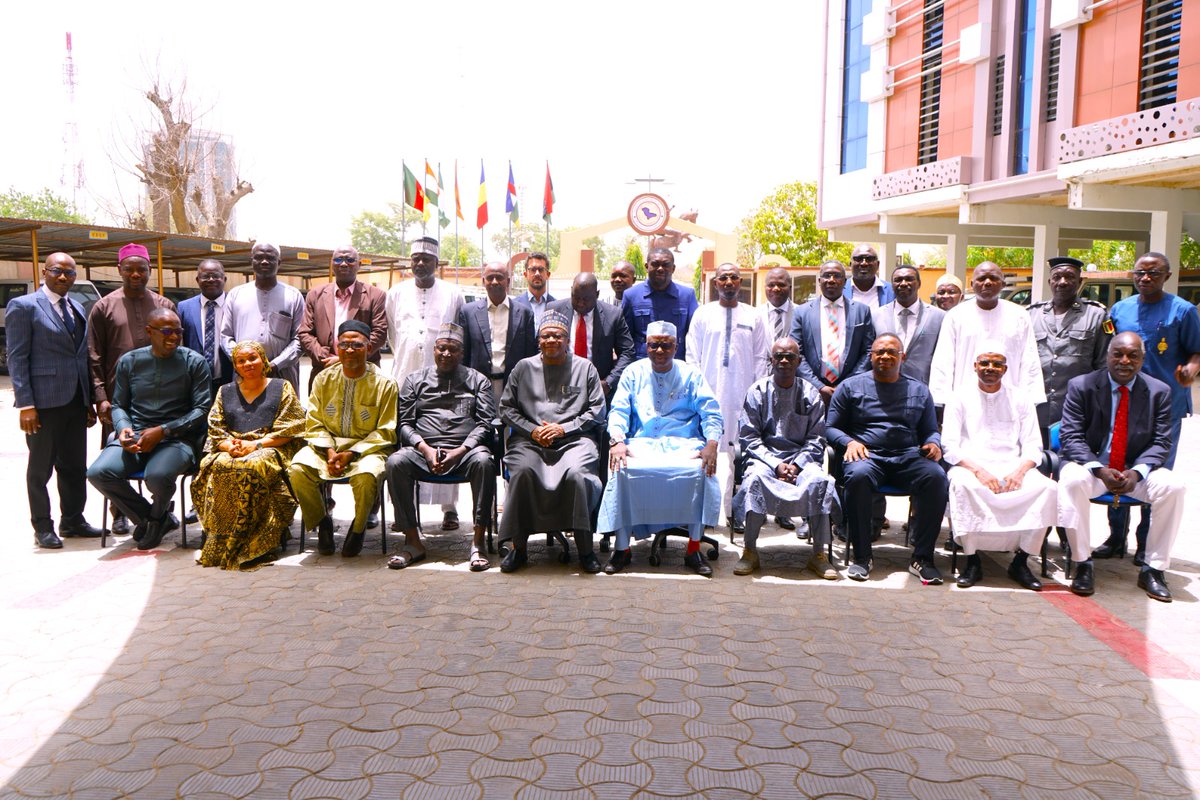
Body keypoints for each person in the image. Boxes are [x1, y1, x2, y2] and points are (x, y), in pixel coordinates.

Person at [1058, 332, 1185, 602]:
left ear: (1142, 359)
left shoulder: (1158, 391)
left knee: (1174, 487)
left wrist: (1137, 472)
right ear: (1107, 355)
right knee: (1070, 481)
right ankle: (1082, 562)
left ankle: (1154, 568)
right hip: (1092, 468)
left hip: (1134, 473)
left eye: (1132, 355)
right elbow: (1070, 437)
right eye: (1118, 354)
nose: (1124, 361)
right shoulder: (1082, 385)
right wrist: (1099, 469)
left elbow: (1162, 442)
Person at [598, 322, 723, 577]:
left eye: (666, 345)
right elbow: (618, 410)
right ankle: (622, 549)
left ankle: (693, 550)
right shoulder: (633, 372)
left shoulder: (691, 374)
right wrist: (617, 440)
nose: (659, 350)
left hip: (684, 445)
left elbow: (711, 411)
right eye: (653, 344)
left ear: (676, 347)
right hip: (641, 444)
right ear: (646, 345)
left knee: (700, 472)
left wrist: (711, 443)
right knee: (621, 470)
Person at [825, 334, 948, 585]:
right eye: (879, 352)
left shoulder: (918, 389)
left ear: (902, 357)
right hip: (868, 455)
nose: (885, 356)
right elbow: (830, 428)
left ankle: (922, 558)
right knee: (857, 477)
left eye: (892, 352)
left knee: (936, 478)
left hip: (908, 456)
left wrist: (934, 443)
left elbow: (931, 429)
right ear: (871, 356)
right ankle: (862, 557)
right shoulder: (850, 386)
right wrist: (849, 442)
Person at [1101, 252, 1200, 560]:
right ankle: (1116, 538)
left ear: (1167, 276)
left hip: (1164, 407)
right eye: (1139, 273)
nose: (1145, 279)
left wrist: (1192, 370)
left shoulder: (1183, 311)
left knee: (1153, 473)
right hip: (1124, 402)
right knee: (1119, 466)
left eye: (1153, 273)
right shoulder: (1120, 309)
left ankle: (1145, 545)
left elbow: (1196, 352)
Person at [86, 308, 211, 550]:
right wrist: (123, 428)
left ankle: (155, 518)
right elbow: (120, 405)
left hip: (176, 439)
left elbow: (201, 410)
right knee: (98, 472)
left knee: (158, 476)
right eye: (166, 331)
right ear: (149, 332)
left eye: (178, 331)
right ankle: (154, 517)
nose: (173, 337)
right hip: (136, 435)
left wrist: (163, 431)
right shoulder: (130, 362)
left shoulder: (194, 361)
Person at [497, 311, 606, 574]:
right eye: (546, 336)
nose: (552, 341)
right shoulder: (523, 368)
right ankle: (518, 549)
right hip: (529, 441)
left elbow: (596, 411)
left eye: (558, 336)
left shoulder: (585, 368)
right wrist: (532, 430)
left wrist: (564, 428)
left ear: (567, 339)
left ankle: (585, 550)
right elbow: (506, 409)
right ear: (538, 340)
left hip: (575, 441)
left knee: (578, 475)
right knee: (522, 473)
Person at [942, 343, 1056, 590]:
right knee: (962, 486)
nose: (990, 368)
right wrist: (979, 472)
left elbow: (1034, 445)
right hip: (970, 466)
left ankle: (1022, 560)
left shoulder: (1021, 398)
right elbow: (949, 446)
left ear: (1005, 369)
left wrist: (1020, 471)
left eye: (996, 364)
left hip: (1013, 466)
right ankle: (972, 560)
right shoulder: (958, 397)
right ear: (975, 367)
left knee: (1048, 488)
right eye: (984, 363)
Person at [386, 323, 496, 572]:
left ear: (462, 352)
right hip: (423, 450)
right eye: (442, 349)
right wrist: (424, 448)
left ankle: (478, 542)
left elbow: (486, 423)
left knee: (484, 462)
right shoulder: (415, 380)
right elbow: (404, 423)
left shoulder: (478, 381)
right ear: (434, 350)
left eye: (453, 350)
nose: (447, 354)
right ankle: (413, 542)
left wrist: (461, 450)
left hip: (466, 452)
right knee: (396, 462)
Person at [9, 252, 101, 548]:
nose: (64, 277)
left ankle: (73, 520)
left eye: (70, 273)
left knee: (75, 465)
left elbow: (81, 357)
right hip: (43, 403)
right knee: (40, 469)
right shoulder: (23, 306)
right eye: (58, 271)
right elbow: (17, 357)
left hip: (75, 401)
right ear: (44, 272)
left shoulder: (76, 306)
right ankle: (43, 527)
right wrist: (26, 405)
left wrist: (87, 402)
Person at [731, 338, 840, 579]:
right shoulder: (758, 391)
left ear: (798, 361)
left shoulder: (810, 393)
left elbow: (816, 438)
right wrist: (776, 464)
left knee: (820, 481)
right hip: (766, 460)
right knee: (755, 479)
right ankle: (750, 551)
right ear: (770, 361)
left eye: (790, 357)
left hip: (802, 460)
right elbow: (749, 438)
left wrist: (797, 464)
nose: (784, 361)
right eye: (778, 356)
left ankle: (819, 555)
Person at [87, 242, 176, 535]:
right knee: (116, 457)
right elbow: (94, 356)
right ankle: (123, 513)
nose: (136, 274)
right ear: (119, 270)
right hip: (119, 399)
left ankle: (161, 509)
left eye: (142, 269)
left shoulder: (164, 306)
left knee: (162, 454)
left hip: (164, 398)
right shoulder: (103, 307)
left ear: (150, 270)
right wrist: (101, 398)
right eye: (130, 269)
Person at [288, 321, 398, 557]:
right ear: (337, 347)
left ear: (368, 348)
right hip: (325, 449)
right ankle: (322, 522)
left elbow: (386, 430)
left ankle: (357, 530)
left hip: (367, 451)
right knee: (297, 469)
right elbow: (314, 422)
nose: (349, 350)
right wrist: (330, 452)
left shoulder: (384, 384)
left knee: (367, 476)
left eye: (356, 345)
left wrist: (351, 453)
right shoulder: (323, 379)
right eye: (344, 344)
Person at [193, 340, 305, 570]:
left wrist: (256, 445)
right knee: (219, 465)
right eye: (241, 360)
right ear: (235, 365)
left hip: (271, 448)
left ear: (263, 360)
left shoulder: (281, 387)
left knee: (253, 466)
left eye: (252, 358)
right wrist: (228, 446)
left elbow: (292, 428)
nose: (247, 364)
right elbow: (216, 428)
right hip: (232, 446)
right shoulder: (225, 391)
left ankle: (259, 541)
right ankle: (223, 539)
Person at [685, 262, 770, 526]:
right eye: (724, 278)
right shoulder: (702, 314)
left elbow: (760, 358)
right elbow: (692, 357)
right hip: (708, 396)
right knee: (705, 454)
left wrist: (755, 396)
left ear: (740, 281)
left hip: (743, 397)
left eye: (734, 277)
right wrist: (698, 395)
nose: (729, 282)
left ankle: (736, 511)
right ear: (716, 283)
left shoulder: (754, 316)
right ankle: (701, 513)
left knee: (740, 456)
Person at [930, 262, 1044, 408]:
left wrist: (1030, 401)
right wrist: (941, 401)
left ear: (1003, 284)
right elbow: (943, 361)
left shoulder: (1019, 315)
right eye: (982, 278)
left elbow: (1029, 360)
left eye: (993, 278)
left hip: (1009, 403)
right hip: (965, 403)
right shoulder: (956, 316)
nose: (988, 283)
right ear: (972, 284)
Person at [1029, 256, 1110, 437]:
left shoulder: (1097, 315)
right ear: (1050, 282)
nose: (1062, 282)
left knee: (1072, 461)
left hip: (1077, 409)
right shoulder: (1031, 314)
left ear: (1080, 281)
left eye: (1069, 277)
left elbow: (1104, 365)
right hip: (1036, 410)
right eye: (1057, 277)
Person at [301, 245, 388, 388]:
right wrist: (324, 356)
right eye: (338, 259)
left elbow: (379, 333)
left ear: (359, 265)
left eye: (349, 259)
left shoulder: (375, 295)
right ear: (332, 264)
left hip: (363, 373)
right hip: (324, 371)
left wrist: (344, 358)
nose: (343, 263)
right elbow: (305, 332)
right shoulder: (315, 295)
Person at [220, 242, 305, 390]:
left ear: (278, 262)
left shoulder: (293, 296)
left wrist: (275, 365)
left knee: (284, 412)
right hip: (245, 375)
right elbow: (225, 336)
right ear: (251, 261)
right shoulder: (236, 294)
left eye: (270, 258)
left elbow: (300, 339)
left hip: (282, 374)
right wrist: (245, 363)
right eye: (259, 257)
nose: (264, 261)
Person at [790, 260, 875, 405]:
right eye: (827, 276)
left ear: (845, 281)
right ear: (819, 280)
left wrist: (847, 384)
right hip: (811, 391)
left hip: (851, 391)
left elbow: (868, 351)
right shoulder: (802, 312)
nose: (831, 280)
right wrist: (819, 386)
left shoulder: (862, 311)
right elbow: (797, 352)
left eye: (837, 276)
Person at [458, 262, 538, 403]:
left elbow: (530, 356)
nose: (494, 282)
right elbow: (463, 355)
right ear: (483, 281)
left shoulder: (525, 314)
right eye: (490, 278)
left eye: (499, 277)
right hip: (478, 388)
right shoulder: (468, 312)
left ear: (507, 281)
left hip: (513, 388)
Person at [547, 273, 636, 399]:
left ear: (597, 294)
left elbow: (628, 352)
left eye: (586, 299)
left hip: (597, 389)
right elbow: (541, 347)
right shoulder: (555, 309)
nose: (580, 303)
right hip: (559, 387)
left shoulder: (613, 315)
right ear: (571, 291)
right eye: (576, 297)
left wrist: (608, 383)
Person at [621, 247, 700, 360]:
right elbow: (625, 339)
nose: (660, 269)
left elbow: (694, 335)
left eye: (666, 265)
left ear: (673, 268)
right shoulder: (631, 296)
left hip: (677, 364)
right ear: (646, 267)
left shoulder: (687, 295)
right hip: (642, 366)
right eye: (655, 264)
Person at [871, 265, 944, 385]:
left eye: (909, 279)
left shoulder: (938, 317)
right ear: (892, 285)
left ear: (919, 283)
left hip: (923, 388)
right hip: (884, 387)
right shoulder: (876, 316)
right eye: (898, 280)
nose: (903, 283)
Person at [178, 259, 233, 390]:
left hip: (229, 381)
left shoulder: (235, 304)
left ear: (224, 279)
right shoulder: (184, 307)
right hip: (195, 383)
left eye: (216, 275)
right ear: (197, 280)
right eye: (205, 276)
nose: (211, 279)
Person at [844, 244, 895, 308]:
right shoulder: (840, 290)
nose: (864, 263)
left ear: (878, 264)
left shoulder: (892, 291)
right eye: (859, 259)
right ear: (850, 264)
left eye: (869, 259)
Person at [515, 251, 556, 327]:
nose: (537, 273)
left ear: (548, 274)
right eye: (533, 269)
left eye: (541, 269)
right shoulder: (514, 306)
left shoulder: (557, 307)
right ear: (525, 274)